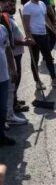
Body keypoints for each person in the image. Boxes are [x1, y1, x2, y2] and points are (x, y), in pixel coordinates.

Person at [22, 0, 56, 89]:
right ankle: (38, 82)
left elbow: (46, 19)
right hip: (34, 36)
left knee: (49, 58)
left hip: (43, 34)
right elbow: (25, 24)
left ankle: (54, 80)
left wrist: (54, 31)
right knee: (35, 60)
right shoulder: (27, 7)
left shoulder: (42, 4)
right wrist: (29, 36)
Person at [1, 0, 30, 118]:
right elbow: (9, 41)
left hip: (15, 53)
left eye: (12, 3)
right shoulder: (3, 19)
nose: (9, 5)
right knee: (13, 80)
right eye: (6, 3)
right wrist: (24, 42)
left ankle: (14, 101)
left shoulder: (8, 17)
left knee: (15, 79)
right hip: (12, 53)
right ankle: (12, 107)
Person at [0, 17, 17, 146]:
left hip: (3, 75)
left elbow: (8, 49)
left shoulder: (2, 29)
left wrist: (13, 68)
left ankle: (1, 135)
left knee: (3, 107)